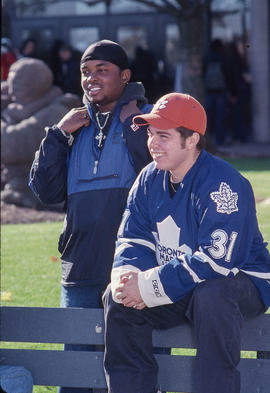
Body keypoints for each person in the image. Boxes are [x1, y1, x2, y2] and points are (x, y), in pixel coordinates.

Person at [103, 92, 270, 393]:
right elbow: (133, 237)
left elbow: (216, 263)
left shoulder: (224, 186)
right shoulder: (148, 178)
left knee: (212, 295)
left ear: (192, 140)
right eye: (151, 134)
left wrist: (149, 285)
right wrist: (126, 275)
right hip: (183, 282)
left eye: (163, 136)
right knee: (118, 298)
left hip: (240, 282)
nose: (152, 143)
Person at [29, 39, 152, 393]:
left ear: (125, 76)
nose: (91, 78)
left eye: (102, 70)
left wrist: (134, 131)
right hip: (80, 266)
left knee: (134, 367)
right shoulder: (74, 126)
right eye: (85, 71)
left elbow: (163, 180)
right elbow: (47, 192)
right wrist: (57, 135)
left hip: (134, 269)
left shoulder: (146, 120)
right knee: (76, 372)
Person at [1, 57, 80, 208]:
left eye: (17, 86)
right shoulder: (17, 111)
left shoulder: (55, 112)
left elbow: (9, 147)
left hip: (43, 194)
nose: (11, 91)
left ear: (34, 86)